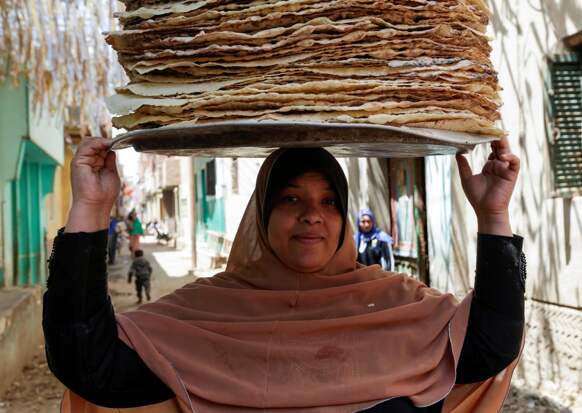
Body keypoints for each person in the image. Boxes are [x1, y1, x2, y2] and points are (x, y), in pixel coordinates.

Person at [44, 137, 525, 412]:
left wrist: (493, 216)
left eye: (329, 202)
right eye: (291, 199)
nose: (313, 215)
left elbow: (490, 344)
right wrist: (90, 206)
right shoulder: (203, 314)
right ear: (262, 215)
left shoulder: (397, 306)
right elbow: (89, 363)